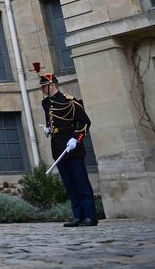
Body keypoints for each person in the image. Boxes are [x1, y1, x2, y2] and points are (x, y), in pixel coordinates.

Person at [35, 63, 98, 227]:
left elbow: (84, 122)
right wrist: (48, 128)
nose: (42, 90)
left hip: (72, 146)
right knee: (69, 184)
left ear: (52, 85)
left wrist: (77, 138)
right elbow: (51, 119)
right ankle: (78, 215)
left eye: (44, 87)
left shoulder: (70, 101)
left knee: (81, 182)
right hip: (57, 146)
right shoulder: (46, 103)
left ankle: (90, 215)